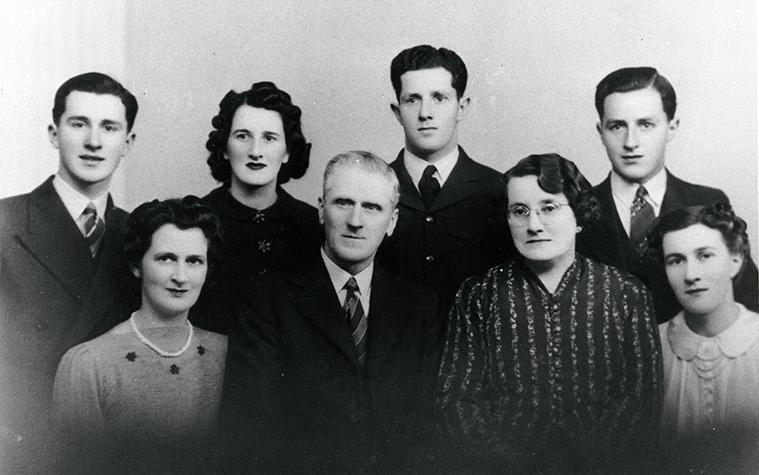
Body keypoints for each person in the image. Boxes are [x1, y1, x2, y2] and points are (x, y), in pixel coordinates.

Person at [437, 154, 661, 472]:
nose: (534, 225)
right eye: (520, 211)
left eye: (549, 208)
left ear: (579, 216)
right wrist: (506, 461)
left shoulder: (626, 294)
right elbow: (454, 398)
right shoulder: (479, 295)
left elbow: (641, 399)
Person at [221, 151, 440, 472]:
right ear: (322, 209)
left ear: (392, 221)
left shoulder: (419, 307)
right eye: (343, 203)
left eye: (372, 207)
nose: (356, 220)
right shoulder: (267, 300)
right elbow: (254, 428)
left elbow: (424, 428)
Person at [0, 72, 139, 472]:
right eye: (79, 124)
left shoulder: (141, 236)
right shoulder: (7, 223)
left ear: (127, 143)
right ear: (53, 133)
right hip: (26, 451)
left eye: (109, 127)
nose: (94, 142)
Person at [52, 196, 226, 473]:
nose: (181, 276)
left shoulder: (228, 354)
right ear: (137, 265)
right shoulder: (88, 363)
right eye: (166, 258)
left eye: (194, 261)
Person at [576, 66, 758, 322]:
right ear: (601, 132)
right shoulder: (575, 209)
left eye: (646, 124)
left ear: (672, 128)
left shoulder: (706, 202)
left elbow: (749, 299)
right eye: (617, 126)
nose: (631, 142)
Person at [378, 44, 512, 322]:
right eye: (412, 99)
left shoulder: (497, 189)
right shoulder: (373, 187)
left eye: (439, 98)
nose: (425, 112)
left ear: (462, 107)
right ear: (396, 111)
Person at [193, 81, 321, 334]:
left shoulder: (312, 225)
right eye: (242, 136)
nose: (255, 151)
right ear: (225, 148)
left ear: (287, 151)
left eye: (269, 138)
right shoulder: (194, 220)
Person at [647, 203, 759, 471]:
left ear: (735, 260)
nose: (691, 275)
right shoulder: (650, 348)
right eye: (676, 260)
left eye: (705, 255)